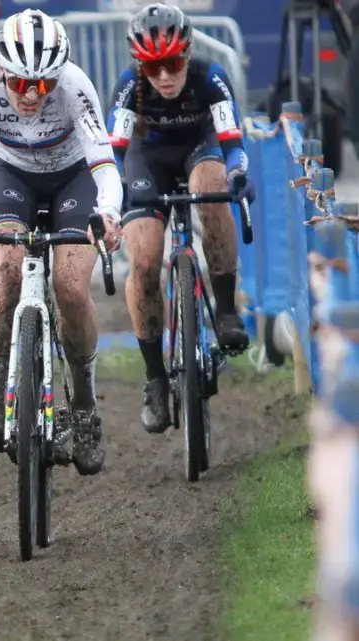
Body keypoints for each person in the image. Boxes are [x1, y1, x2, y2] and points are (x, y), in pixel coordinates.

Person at [0, 9, 124, 476]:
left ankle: (84, 413)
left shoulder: (75, 87)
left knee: (70, 286)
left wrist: (109, 215)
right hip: (10, 176)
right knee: (5, 268)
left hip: (72, 179)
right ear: (2, 70)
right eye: (20, 83)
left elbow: (104, 166)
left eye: (41, 85)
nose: (29, 94)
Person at [106, 3, 256, 434]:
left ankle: (226, 311)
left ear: (187, 56)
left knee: (212, 189)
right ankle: (155, 378)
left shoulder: (211, 78)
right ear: (140, 66)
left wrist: (239, 173)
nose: (165, 77)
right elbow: (114, 153)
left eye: (172, 64)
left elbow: (232, 143)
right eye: (154, 68)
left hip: (199, 150)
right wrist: (111, 194)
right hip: (145, 160)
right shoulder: (128, 86)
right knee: (147, 261)